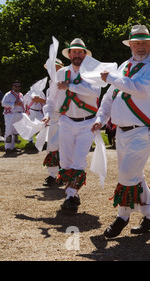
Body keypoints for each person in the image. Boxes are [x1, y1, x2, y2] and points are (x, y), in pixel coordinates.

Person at [92, 25, 150, 238]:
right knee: (134, 174)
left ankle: (121, 217)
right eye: (137, 43)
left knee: (126, 174)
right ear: (130, 45)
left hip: (144, 130)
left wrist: (111, 78)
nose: (141, 47)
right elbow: (109, 96)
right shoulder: (125, 65)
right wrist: (100, 118)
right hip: (122, 132)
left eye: (145, 43)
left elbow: (139, 89)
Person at [44, 38, 101, 214]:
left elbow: (95, 91)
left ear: (85, 54)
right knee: (66, 160)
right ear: (69, 54)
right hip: (66, 121)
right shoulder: (60, 74)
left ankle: (70, 195)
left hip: (88, 123)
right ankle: (72, 195)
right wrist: (47, 114)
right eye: (73, 52)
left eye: (80, 52)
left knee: (79, 159)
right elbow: (51, 98)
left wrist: (71, 86)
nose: (77, 55)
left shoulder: (92, 72)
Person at [42, 58, 65, 187]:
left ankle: (63, 174)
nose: (53, 70)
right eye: (51, 68)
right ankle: (52, 175)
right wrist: (47, 115)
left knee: (63, 147)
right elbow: (49, 104)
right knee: (51, 147)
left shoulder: (65, 82)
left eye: (55, 67)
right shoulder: (50, 86)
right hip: (54, 120)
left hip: (65, 119)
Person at [2, 81, 25, 155]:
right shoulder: (8, 94)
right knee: (9, 130)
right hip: (10, 114)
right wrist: (14, 104)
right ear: (12, 87)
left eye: (18, 86)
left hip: (19, 114)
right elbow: (3, 103)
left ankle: (13, 147)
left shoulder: (21, 94)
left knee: (15, 132)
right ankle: (7, 148)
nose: (17, 87)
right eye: (16, 86)